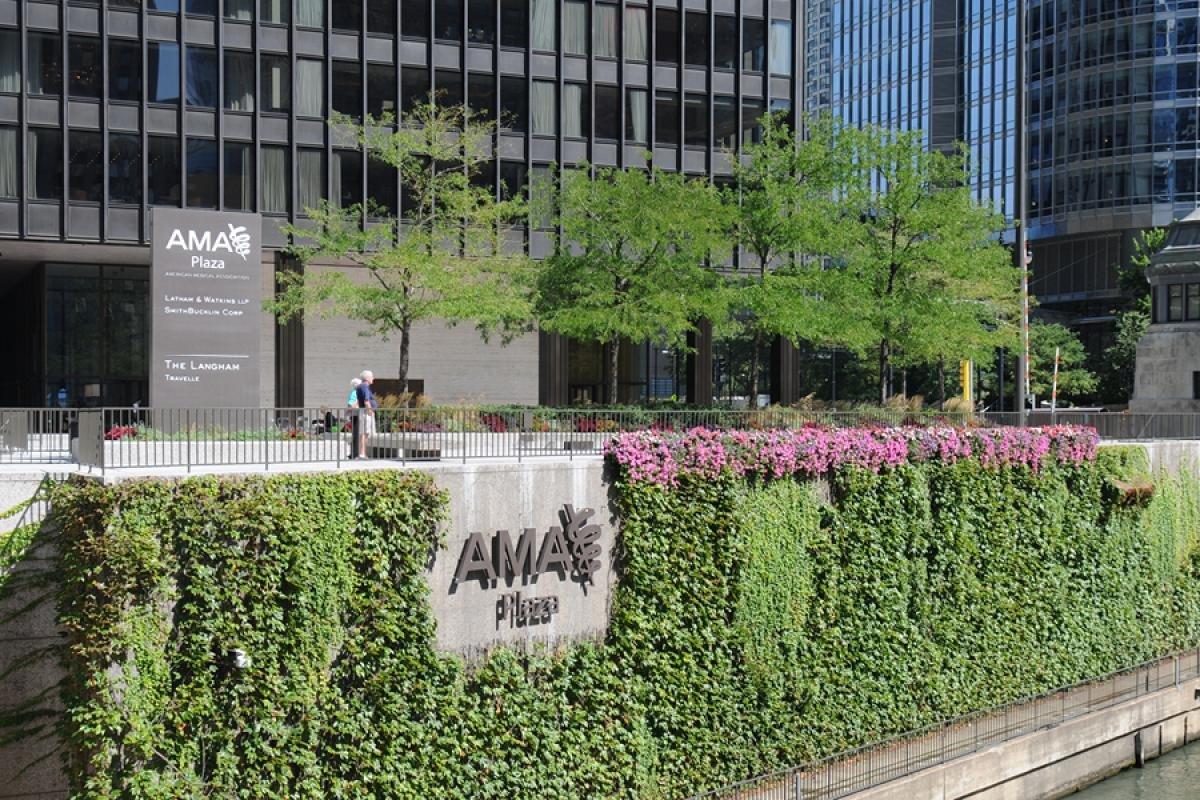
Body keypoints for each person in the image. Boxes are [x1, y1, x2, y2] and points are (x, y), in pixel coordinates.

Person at [354, 370, 377, 459]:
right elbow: (366, 400)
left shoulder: (362, 386)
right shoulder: (364, 386)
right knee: (364, 433)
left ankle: (362, 453)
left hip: (365, 411)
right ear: (367, 378)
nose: (373, 378)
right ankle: (362, 454)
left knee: (365, 433)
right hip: (366, 412)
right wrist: (370, 411)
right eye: (372, 377)